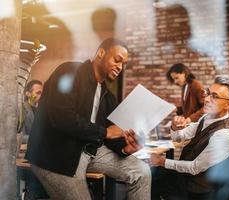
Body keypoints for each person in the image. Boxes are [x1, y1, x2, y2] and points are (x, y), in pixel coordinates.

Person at [26, 38, 151, 200]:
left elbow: (109, 137)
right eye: (117, 60)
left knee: (142, 171)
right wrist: (105, 132)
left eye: (123, 64)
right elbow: (61, 117)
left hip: (90, 151)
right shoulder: (69, 71)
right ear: (101, 53)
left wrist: (125, 148)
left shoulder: (108, 97)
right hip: (55, 155)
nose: (120, 67)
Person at [150, 76, 229, 200]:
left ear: (228, 104)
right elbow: (179, 137)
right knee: (154, 175)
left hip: (199, 189)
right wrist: (175, 127)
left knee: (153, 179)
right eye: (208, 93)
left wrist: (161, 161)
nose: (207, 99)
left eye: (214, 96)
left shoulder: (224, 135)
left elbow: (194, 168)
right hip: (187, 176)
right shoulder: (206, 118)